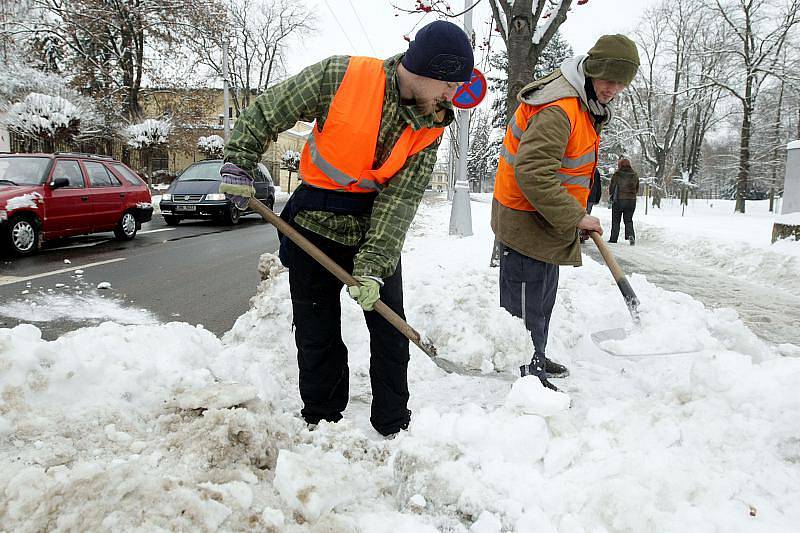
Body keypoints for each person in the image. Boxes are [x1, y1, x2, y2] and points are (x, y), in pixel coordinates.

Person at [217, 21, 473, 437]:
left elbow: (400, 200)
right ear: (427, 70)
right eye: (449, 84)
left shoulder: (433, 124)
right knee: (317, 330)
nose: (451, 95)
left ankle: (393, 425)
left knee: (391, 331)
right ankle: (322, 419)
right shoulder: (341, 76)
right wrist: (239, 160)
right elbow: (269, 109)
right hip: (315, 218)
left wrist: (373, 266)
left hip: (374, 222)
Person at [491, 35, 639, 390]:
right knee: (525, 303)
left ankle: (535, 355)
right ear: (591, 70)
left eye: (621, 83)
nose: (613, 89)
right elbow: (532, 172)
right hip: (525, 218)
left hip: (547, 219)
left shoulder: (584, 103)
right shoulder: (560, 108)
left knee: (542, 298)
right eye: (608, 80)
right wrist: (575, 216)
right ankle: (526, 367)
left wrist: (576, 215)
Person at [608, 158, 640, 245]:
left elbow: (612, 187)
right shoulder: (634, 175)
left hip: (619, 200)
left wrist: (611, 194)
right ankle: (631, 235)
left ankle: (613, 239)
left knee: (616, 220)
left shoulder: (617, 174)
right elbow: (637, 188)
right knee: (628, 220)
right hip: (631, 201)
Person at [579, 168, 603, 243]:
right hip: (591, 196)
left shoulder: (581, 166)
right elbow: (598, 185)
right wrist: (597, 198)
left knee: (579, 215)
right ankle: (581, 235)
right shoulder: (595, 170)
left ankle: (578, 235)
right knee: (585, 215)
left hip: (582, 194)